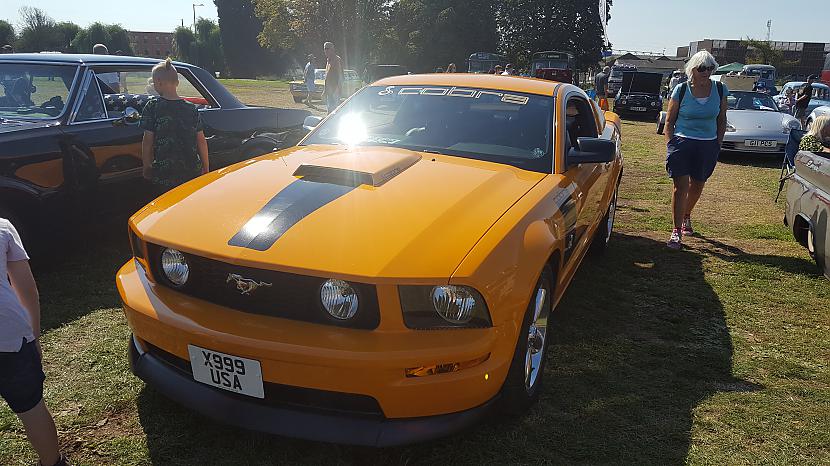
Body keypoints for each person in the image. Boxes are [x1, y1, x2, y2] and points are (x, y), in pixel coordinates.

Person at [0, 218, 71, 466]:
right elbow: (27, 291)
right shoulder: (2, 227)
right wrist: (34, 336)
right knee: (32, 407)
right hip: (10, 337)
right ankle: (53, 462)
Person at [663, 50, 729, 249]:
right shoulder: (681, 90)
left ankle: (686, 215)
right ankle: (676, 232)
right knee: (680, 186)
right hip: (682, 142)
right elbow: (669, 121)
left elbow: (722, 118)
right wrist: (671, 144)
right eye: (702, 68)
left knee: (698, 185)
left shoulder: (720, 89)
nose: (706, 72)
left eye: (710, 68)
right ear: (693, 69)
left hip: (707, 144)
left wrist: (718, 143)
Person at [140, 58, 209, 193]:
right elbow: (201, 140)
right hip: (191, 171)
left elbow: (147, 141)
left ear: (158, 83)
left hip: (164, 172)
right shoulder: (191, 108)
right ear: (177, 83)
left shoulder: (153, 107)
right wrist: (206, 167)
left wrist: (146, 166)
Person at [322, 42, 343, 114]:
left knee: (334, 112)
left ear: (332, 49)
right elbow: (327, 77)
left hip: (335, 91)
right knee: (329, 111)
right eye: (325, 49)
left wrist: (338, 89)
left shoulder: (337, 59)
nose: (326, 51)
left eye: (327, 49)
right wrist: (325, 90)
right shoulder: (328, 60)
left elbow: (340, 75)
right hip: (329, 91)